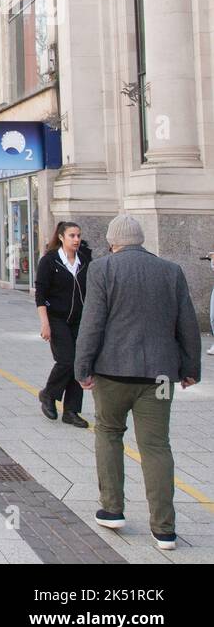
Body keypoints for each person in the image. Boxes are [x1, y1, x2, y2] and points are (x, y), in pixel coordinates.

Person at [76, 214, 201, 551]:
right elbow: (187, 323)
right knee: (157, 446)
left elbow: (93, 322)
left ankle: (112, 509)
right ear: (141, 240)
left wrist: (82, 366)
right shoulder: (170, 271)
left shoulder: (102, 269)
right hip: (159, 376)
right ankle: (164, 530)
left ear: (113, 241)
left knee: (109, 432)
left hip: (113, 373)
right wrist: (191, 368)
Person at [34, 221, 91, 429]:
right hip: (56, 318)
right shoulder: (50, 261)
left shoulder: (84, 260)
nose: (76, 240)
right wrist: (45, 323)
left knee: (79, 362)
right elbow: (40, 295)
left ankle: (71, 411)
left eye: (78, 236)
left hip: (79, 319)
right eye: (72, 236)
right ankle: (48, 394)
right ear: (61, 237)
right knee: (66, 361)